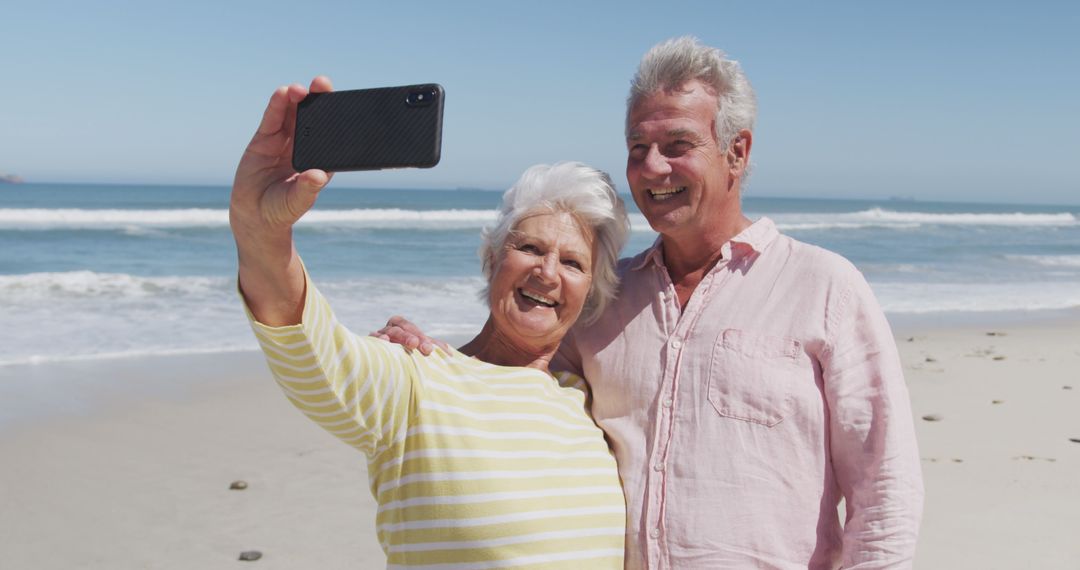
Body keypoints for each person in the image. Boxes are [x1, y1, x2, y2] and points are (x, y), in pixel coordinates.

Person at [381, 37, 924, 568]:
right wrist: (430, 360)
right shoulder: (603, 296)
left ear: (737, 151)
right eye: (638, 149)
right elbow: (515, 378)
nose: (652, 168)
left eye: (678, 146)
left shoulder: (824, 286)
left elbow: (885, 487)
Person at [230, 77, 631, 568]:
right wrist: (260, 231)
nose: (547, 272)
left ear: (591, 291)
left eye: (572, 263)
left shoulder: (587, 401)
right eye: (528, 248)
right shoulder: (419, 378)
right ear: (491, 259)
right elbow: (314, 354)